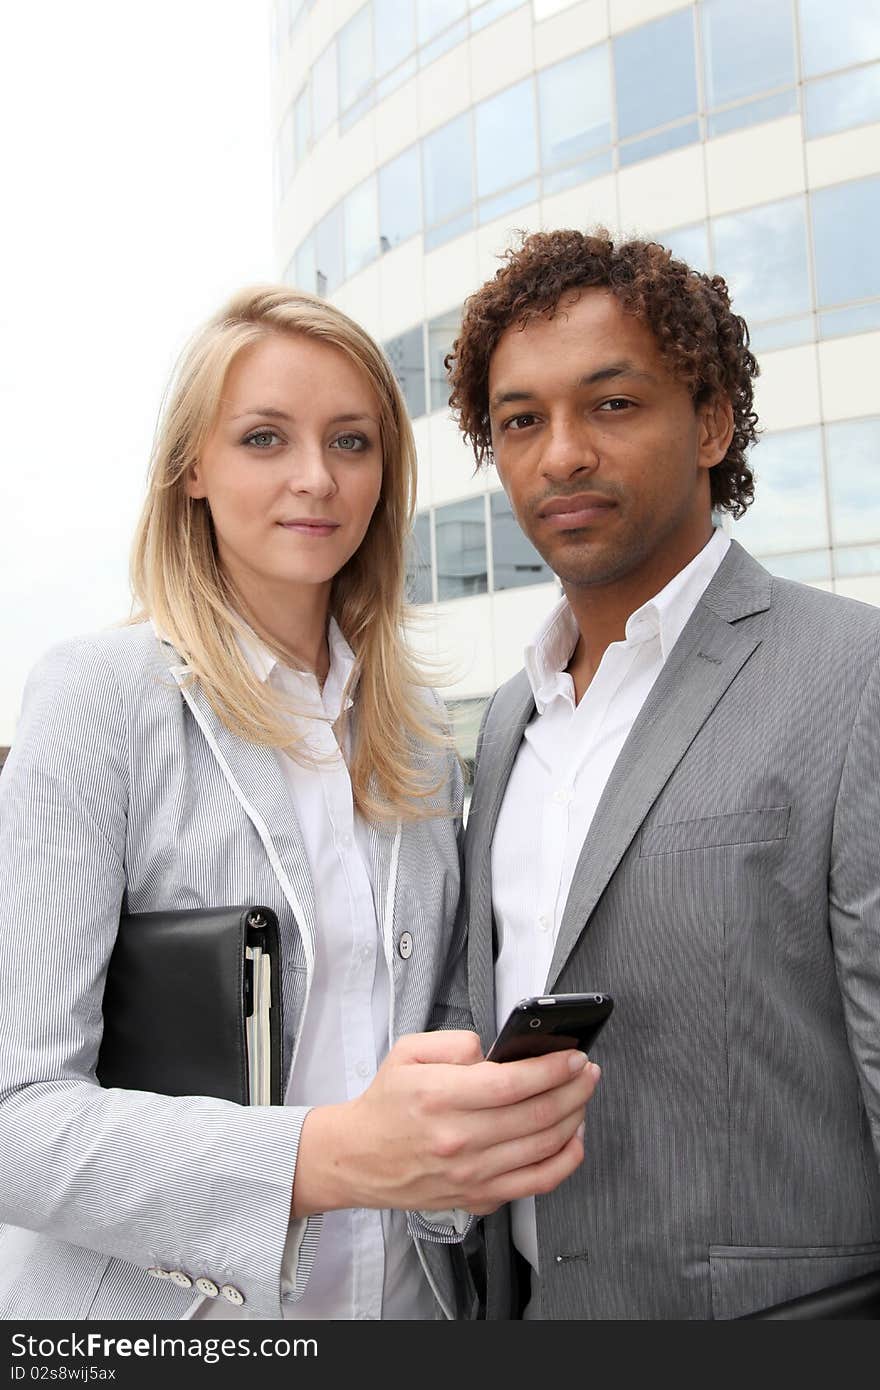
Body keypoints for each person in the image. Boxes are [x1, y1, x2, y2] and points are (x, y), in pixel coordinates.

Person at [0, 286, 600, 1322]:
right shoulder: (98, 698)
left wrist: (467, 1145)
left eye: (351, 440)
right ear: (193, 467)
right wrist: (325, 1158)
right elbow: (17, 1119)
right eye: (264, 438)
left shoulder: (413, 740)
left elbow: (428, 1032)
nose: (315, 478)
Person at [446, 229, 880, 1320]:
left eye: (613, 404)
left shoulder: (855, 675)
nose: (561, 456)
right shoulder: (505, 725)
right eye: (520, 421)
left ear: (713, 422)